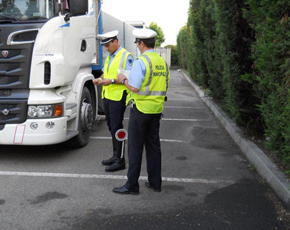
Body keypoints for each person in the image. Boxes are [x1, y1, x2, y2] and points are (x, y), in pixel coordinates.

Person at [113, 28, 170, 195]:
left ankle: (132, 185)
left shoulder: (141, 62)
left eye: (137, 43)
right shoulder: (162, 62)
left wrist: (123, 80)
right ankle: (155, 182)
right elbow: (165, 86)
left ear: (142, 43)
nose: (137, 46)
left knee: (135, 148)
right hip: (156, 110)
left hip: (141, 110)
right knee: (153, 147)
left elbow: (135, 87)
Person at [93, 30, 134, 172]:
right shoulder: (110, 56)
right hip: (108, 95)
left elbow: (126, 78)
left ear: (115, 42)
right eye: (104, 46)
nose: (106, 48)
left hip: (118, 96)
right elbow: (106, 72)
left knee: (117, 127)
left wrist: (109, 81)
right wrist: (100, 79)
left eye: (108, 45)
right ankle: (115, 155)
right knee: (111, 126)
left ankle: (120, 160)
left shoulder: (126, 56)